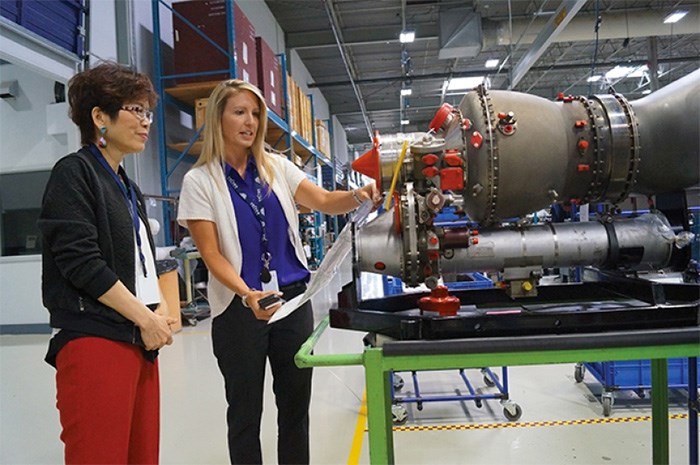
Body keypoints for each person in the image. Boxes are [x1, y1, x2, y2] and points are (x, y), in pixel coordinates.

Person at [177, 79, 380, 464]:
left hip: (292, 303)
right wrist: (247, 293)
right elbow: (211, 254)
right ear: (218, 118)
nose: (250, 122)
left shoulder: (276, 167)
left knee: (294, 411)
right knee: (244, 414)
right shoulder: (199, 181)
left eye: (255, 114)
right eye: (239, 112)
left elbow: (322, 200)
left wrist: (359, 195)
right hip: (240, 310)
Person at [38, 61, 177, 465]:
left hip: (139, 342)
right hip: (96, 341)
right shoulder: (74, 173)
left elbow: (143, 263)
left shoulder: (127, 187)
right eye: (135, 110)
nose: (145, 121)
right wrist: (144, 318)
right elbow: (82, 262)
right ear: (100, 117)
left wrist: (160, 310)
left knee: (141, 457)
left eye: (147, 111)